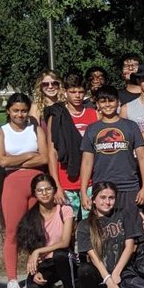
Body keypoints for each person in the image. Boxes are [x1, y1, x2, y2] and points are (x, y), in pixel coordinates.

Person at [0, 92, 51, 288]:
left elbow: (44, 158)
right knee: (12, 232)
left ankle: (37, 272)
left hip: (37, 182)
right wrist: (28, 155)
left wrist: (15, 159)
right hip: (13, 184)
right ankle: (11, 278)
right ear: (8, 111)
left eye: (24, 110)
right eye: (16, 110)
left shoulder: (35, 128)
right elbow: (2, 162)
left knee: (37, 229)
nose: (20, 114)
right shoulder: (1, 132)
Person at [79, 86, 144, 225]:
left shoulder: (131, 126)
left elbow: (142, 157)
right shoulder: (92, 129)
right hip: (102, 188)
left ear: (118, 102)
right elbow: (87, 162)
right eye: (103, 101)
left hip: (129, 187)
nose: (107, 104)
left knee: (132, 231)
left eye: (111, 101)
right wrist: (83, 191)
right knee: (105, 230)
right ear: (97, 104)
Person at [75, 181, 143, 288]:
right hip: (100, 274)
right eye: (103, 197)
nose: (107, 202)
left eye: (111, 198)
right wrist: (108, 279)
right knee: (84, 270)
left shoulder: (123, 215)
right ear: (93, 199)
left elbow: (130, 246)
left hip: (122, 269)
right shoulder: (84, 225)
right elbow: (93, 256)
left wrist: (116, 273)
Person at [16, 173, 78, 288]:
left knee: (60, 254)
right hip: (46, 263)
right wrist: (35, 269)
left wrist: (38, 252)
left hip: (65, 258)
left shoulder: (65, 210)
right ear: (34, 193)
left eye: (48, 189)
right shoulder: (30, 217)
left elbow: (65, 242)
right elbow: (30, 246)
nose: (44, 193)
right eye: (40, 190)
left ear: (54, 190)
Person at [45, 72, 98, 218]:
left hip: (90, 181)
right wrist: (56, 186)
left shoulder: (94, 114)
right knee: (68, 227)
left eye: (81, 92)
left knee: (91, 225)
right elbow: (52, 153)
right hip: (66, 181)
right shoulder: (57, 115)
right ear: (65, 92)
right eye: (73, 92)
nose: (77, 96)